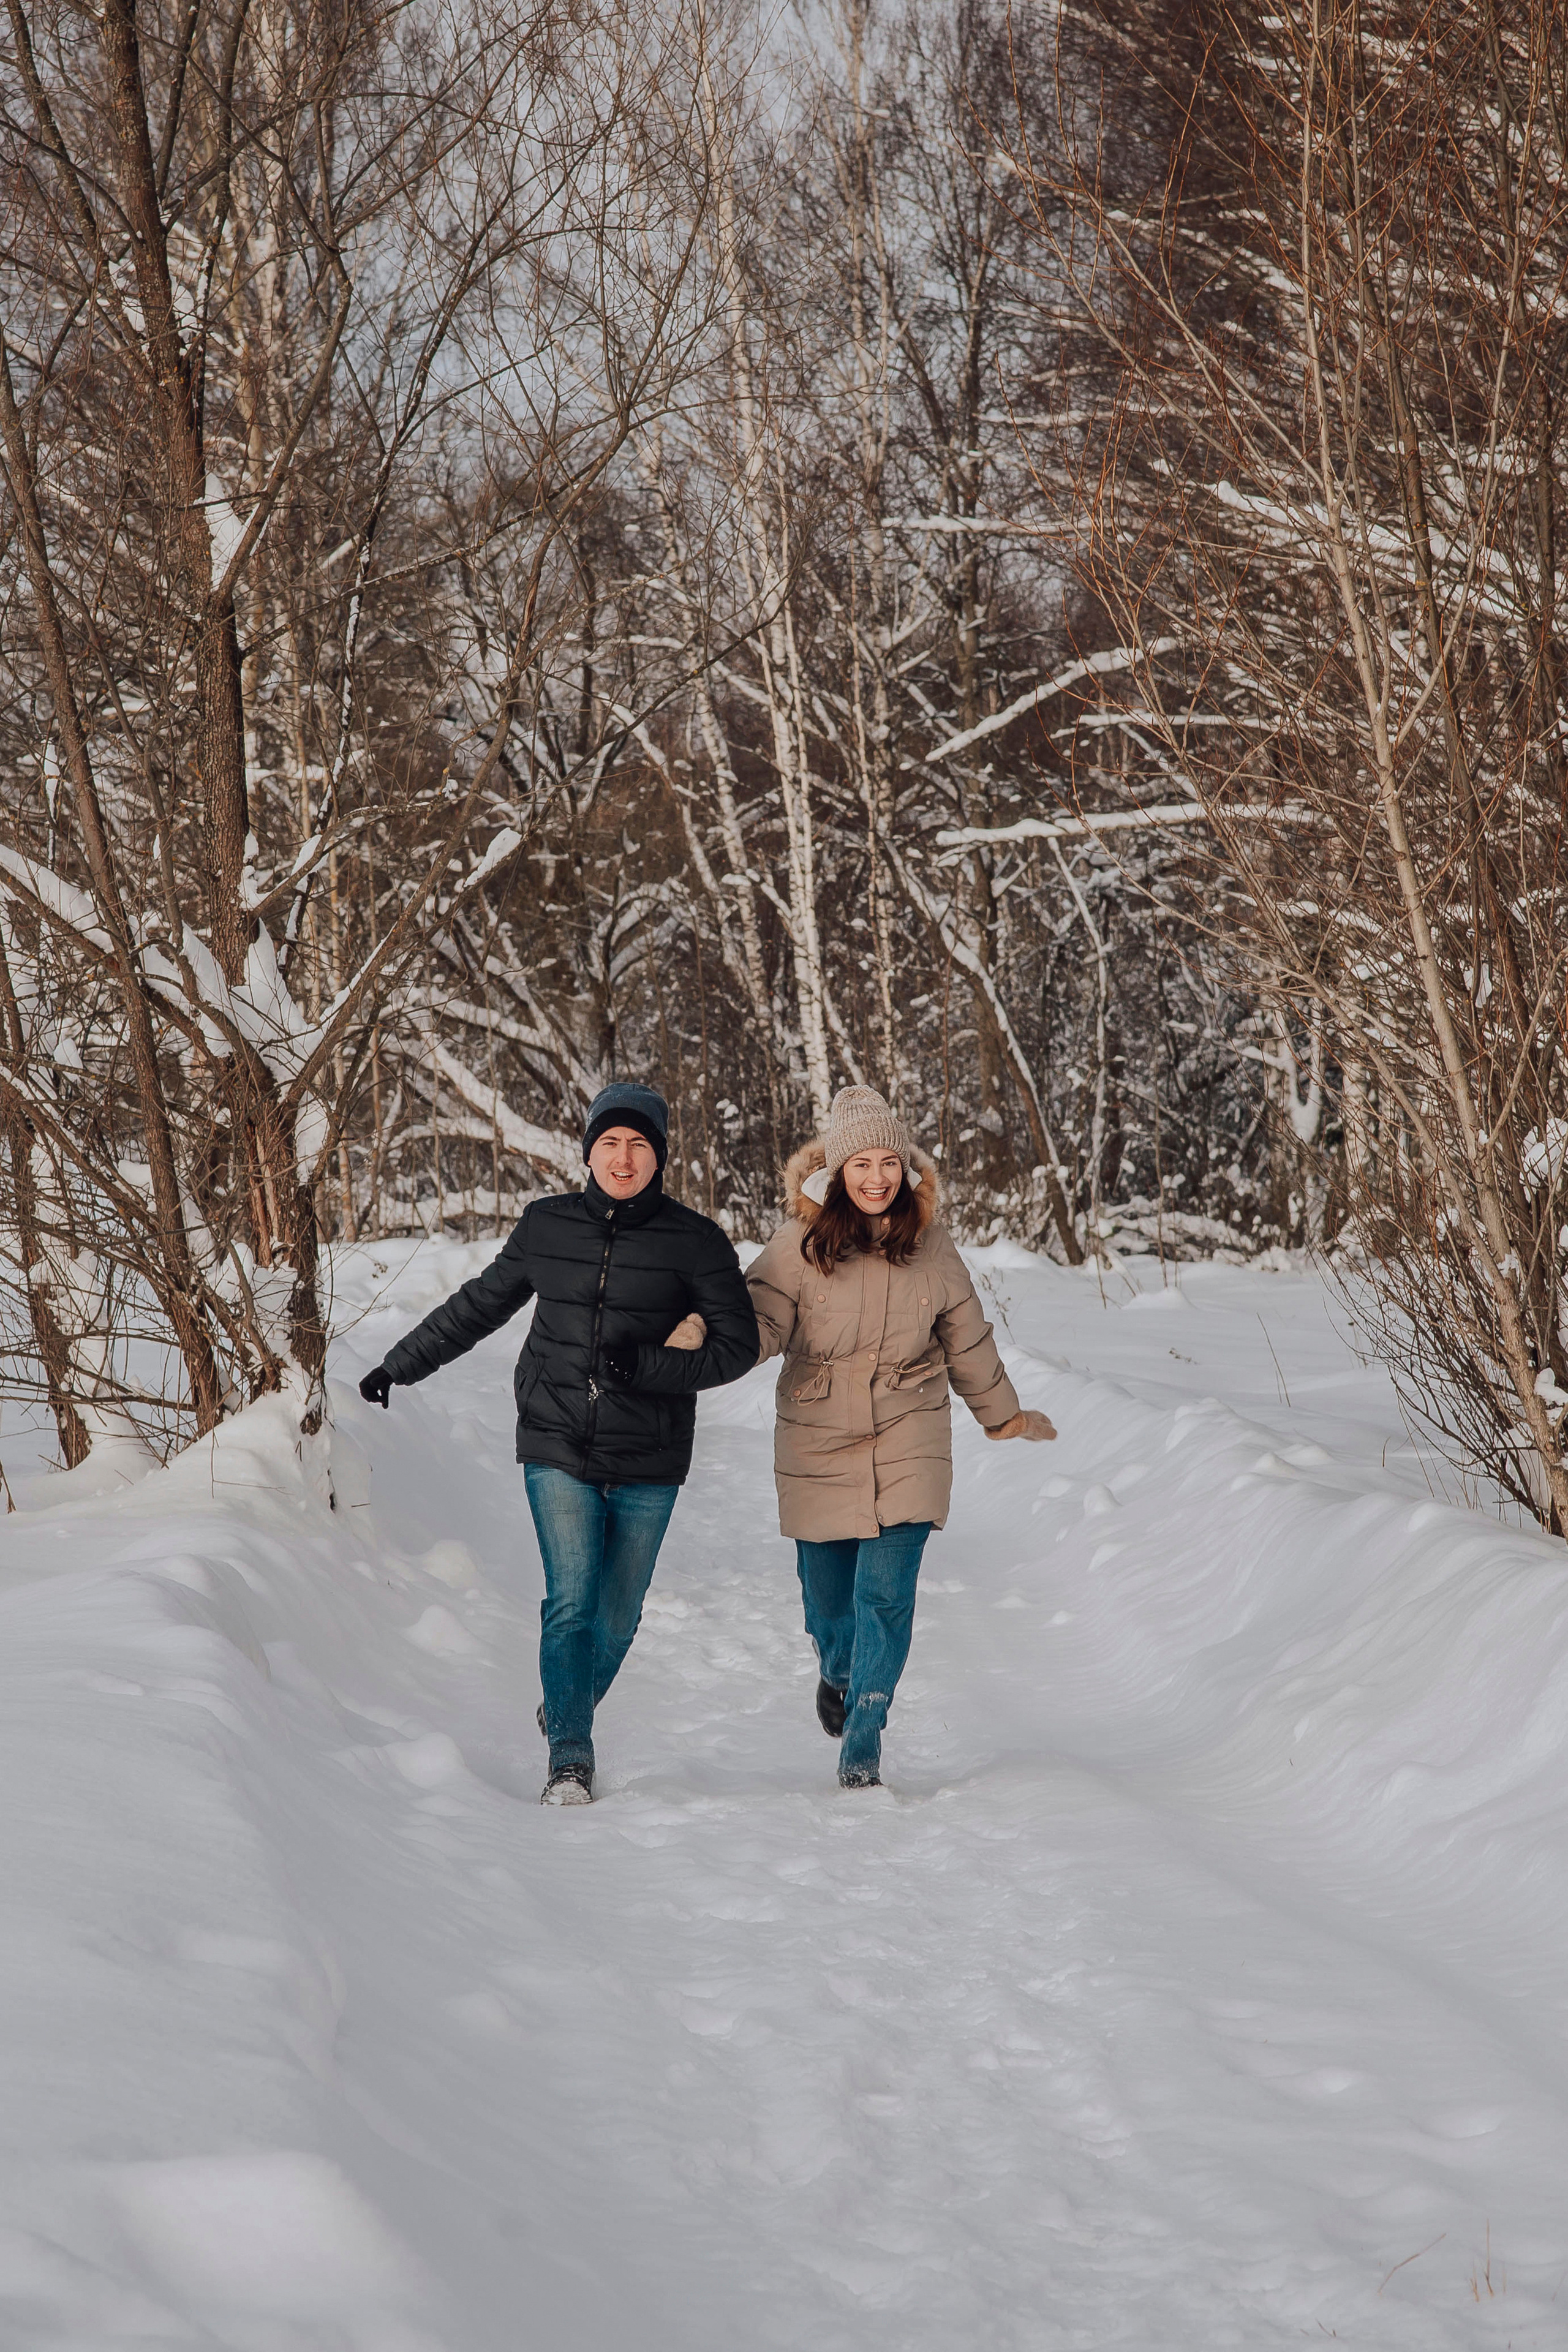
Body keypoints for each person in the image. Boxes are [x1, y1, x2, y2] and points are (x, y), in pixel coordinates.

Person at [359, 1082, 760, 1804]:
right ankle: (570, 1757)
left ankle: (563, 1702)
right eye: (610, 1143)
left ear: (660, 1155)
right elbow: (480, 1304)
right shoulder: (548, 1227)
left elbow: (737, 1347)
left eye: (639, 1144)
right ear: (588, 1151)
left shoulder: (696, 1242)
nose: (624, 1157)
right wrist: (400, 1364)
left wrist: (650, 1367)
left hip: (650, 1453)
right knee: (571, 1602)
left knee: (619, 1612)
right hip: (556, 1442)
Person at [746, 1086, 1055, 1790]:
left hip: (910, 1430)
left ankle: (864, 1737)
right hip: (818, 1436)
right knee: (827, 1603)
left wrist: (1002, 1414)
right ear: (836, 1172)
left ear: (907, 1169)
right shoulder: (795, 1246)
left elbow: (967, 1338)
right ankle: (839, 1673)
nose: (878, 1177)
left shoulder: (932, 1247)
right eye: (862, 1164)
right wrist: (697, 1340)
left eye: (890, 1161)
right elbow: (756, 1323)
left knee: (884, 1598)